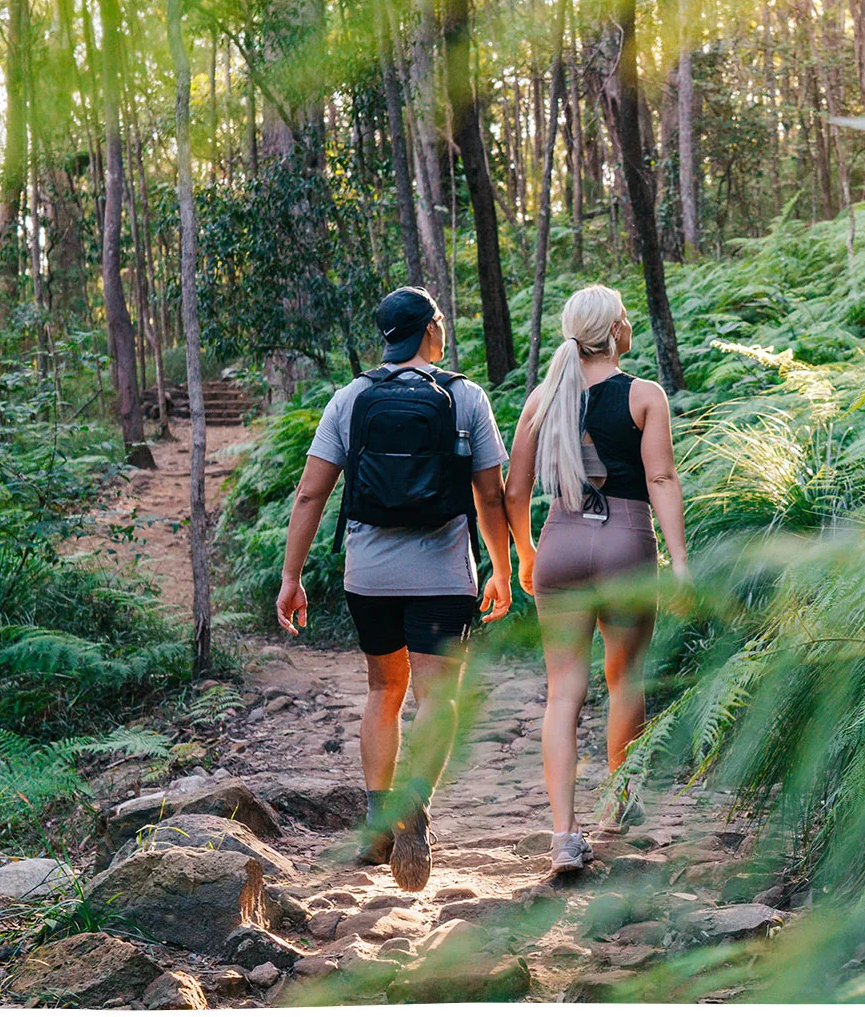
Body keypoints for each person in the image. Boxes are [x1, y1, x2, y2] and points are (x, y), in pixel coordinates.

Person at [275, 286, 512, 892]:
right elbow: (489, 494)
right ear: (432, 330)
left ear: (387, 337)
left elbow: (310, 494)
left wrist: (291, 576)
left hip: (370, 575)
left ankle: (381, 822)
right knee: (439, 698)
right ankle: (416, 806)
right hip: (440, 576)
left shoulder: (351, 397)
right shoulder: (464, 397)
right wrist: (501, 567)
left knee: (384, 688)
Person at [504, 285, 689, 875]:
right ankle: (616, 814)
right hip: (624, 545)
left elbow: (514, 491)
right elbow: (660, 480)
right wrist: (680, 562)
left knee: (563, 695)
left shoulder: (544, 396)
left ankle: (563, 835)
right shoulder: (643, 395)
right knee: (624, 680)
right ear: (617, 331)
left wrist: (528, 554)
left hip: (560, 544)